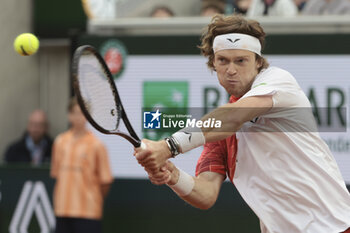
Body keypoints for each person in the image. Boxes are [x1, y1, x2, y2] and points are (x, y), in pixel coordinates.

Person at [135, 15, 350, 233]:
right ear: (213, 64)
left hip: (333, 227)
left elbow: (233, 117)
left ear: (258, 61)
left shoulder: (278, 80)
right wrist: (173, 176)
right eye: (223, 61)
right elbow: (206, 194)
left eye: (241, 60)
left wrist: (168, 146)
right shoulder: (218, 130)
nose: (231, 70)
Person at [50, 97, 113, 233]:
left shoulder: (97, 145)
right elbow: (56, 175)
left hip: (88, 211)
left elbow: (105, 181)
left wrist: (92, 198)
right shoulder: (60, 142)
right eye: (75, 113)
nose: (79, 117)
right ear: (69, 115)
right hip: (62, 209)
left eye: (82, 113)